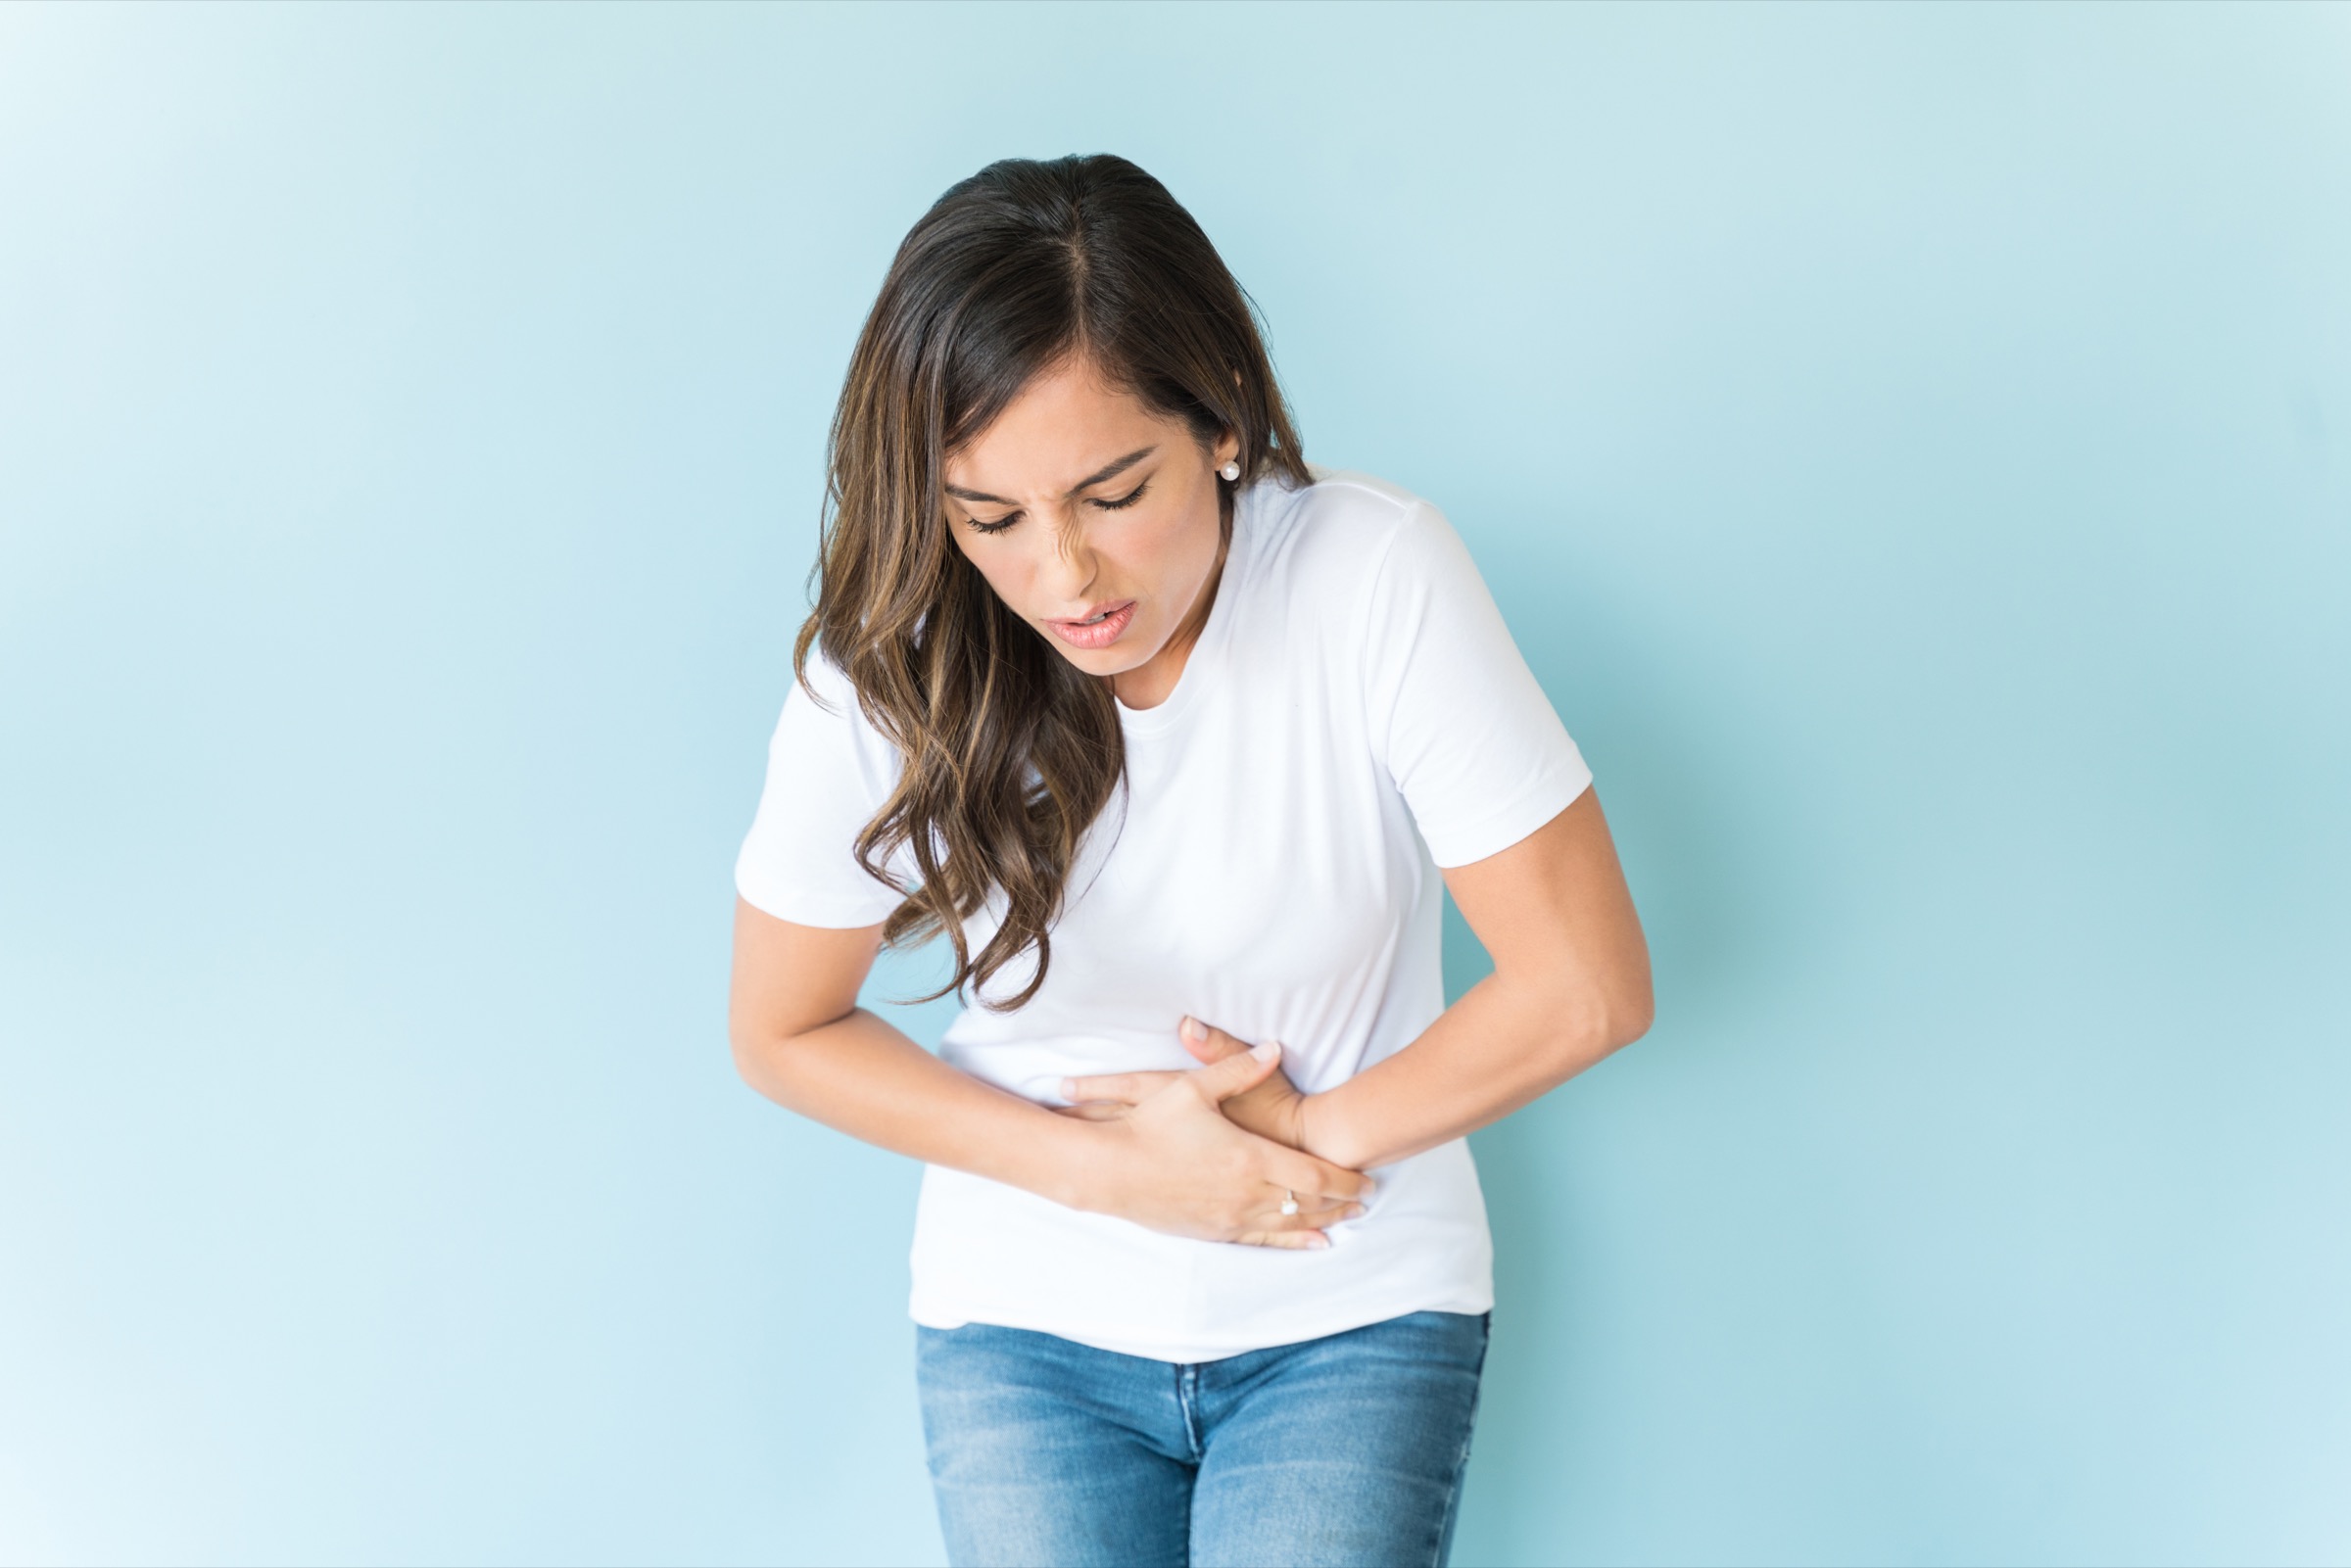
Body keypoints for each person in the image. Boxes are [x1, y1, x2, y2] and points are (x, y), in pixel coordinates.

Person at [727, 153, 1654, 1568]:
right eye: (993, 518)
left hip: (1349, 1307)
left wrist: (1297, 1145)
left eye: (1112, 492)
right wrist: (1110, 1175)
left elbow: (1585, 984)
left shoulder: (1369, 575)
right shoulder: (892, 665)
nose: (1065, 578)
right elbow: (781, 1027)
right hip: (1025, 1332)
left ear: (1216, 414)